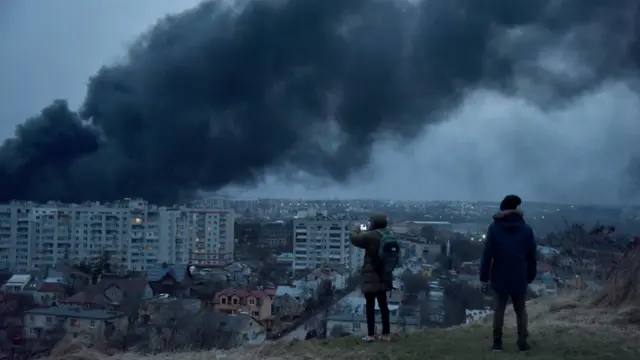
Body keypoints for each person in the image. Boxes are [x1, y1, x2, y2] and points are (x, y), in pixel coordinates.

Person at [480, 194, 536, 352]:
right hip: (519, 274)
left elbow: (487, 256)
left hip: (500, 274)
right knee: (520, 309)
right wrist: (530, 275)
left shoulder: (494, 229)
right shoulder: (526, 230)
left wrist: (484, 278)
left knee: (499, 309)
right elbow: (532, 256)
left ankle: (497, 342)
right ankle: (522, 342)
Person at [350, 213, 399, 342]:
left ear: (374, 223)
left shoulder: (371, 236)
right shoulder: (389, 234)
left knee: (370, 306)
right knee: (383, 305)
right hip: (385, 274)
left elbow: (354, 239)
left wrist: (356, 228)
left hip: (372, 274)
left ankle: (371, 334)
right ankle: (386, 333)